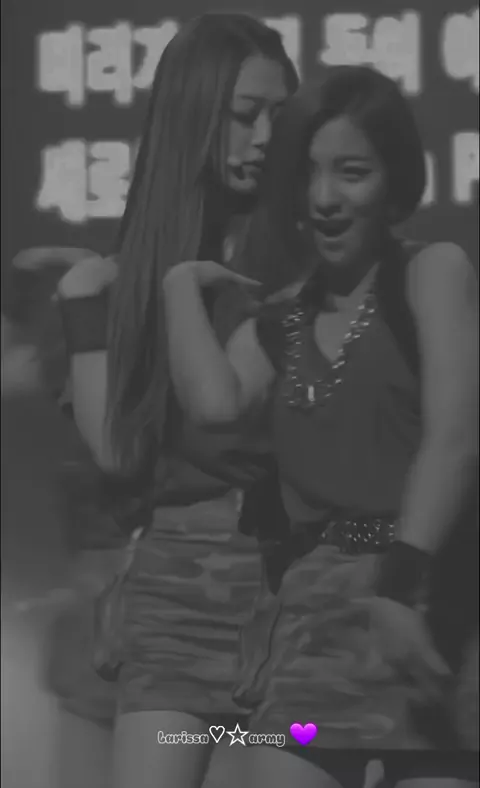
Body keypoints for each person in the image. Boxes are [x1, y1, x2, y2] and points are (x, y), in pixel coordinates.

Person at [162, 66, 479, 788]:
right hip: (317, 627)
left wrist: (399, 589)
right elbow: (213, 406)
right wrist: (179, 288)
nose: (325, 197)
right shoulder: (282, 316)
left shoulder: (432, 272)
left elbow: (457, 438)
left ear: (394, 183)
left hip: (431, 608)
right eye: (307, 174)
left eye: (351, 172)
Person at [53, 12, 298, 788]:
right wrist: (84, 307)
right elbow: (117, 451)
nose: (266, 137)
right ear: (194, 116)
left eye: (281, 115)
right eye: (245, 115)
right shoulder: (124, 277)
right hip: (176, 598)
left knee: (299, 748)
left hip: (297, 600)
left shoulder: (312, 260)